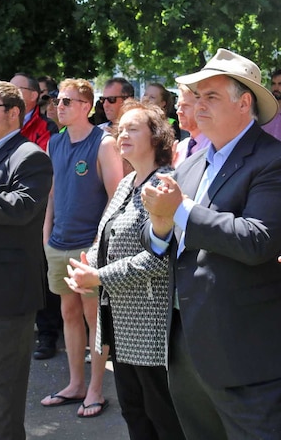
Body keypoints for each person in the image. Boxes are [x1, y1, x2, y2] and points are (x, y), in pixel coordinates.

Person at [141, 49, 281, 439]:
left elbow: (258, 240)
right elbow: (161, 236)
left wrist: (180, 211)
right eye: (196, 96)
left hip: (256, 361)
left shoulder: (279, 163)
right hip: (192, 351)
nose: (197, 105)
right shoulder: (190, 164)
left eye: (211, 97)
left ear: (245, 103)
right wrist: (159, 224)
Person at [66, 101, 184, 440]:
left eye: (133, 128)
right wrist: (88, 261)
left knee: (162, 416)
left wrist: (99, 277)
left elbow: (159, 258)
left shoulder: (166, 184)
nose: (123, 135)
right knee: (135, 413)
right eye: (120, 129)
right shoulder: (127, 181)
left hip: (149, 324)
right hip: (120, 321)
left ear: (157, 136)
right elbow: (106, 232)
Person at [0, 81, 54, 440]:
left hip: (5, 296)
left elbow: (22, 208)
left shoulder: (30, 156)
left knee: (3, 396)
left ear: (14, 113)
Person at [41, 79, 124, 417]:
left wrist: (97, 245)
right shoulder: (54, 143)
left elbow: (116, 198)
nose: (59, 106)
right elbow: (51, 193)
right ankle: (75, 384)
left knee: (95, 318)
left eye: (67, 101)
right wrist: (46, 233)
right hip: (58, 243)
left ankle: (95, 390)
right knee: (68, 315)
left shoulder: (103, 143)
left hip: (89, 246)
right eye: (57, 100)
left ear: (86, 106)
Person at [9, 73, 62, 360]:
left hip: (37, 208)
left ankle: (48, 335)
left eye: (17, 89)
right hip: (7, 208)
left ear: (31, 96)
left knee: (43, 276)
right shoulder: (4, 124)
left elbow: (42, 165)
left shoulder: (46, 127)